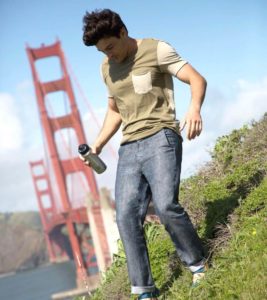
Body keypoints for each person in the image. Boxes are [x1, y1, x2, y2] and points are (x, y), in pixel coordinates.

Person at [82, 8, 208, 300]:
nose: (108, 55)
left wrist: (194, 109)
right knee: (125, 216)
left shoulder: (156, 49)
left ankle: (198, 265)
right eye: (102, 51)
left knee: (165, 206)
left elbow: (197, 79)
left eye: (110, 47)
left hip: (161, 135)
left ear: (123, 32)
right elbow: (115, 112)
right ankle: (144, 291)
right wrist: (98, 144)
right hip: (129, 146)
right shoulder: (106, 68)